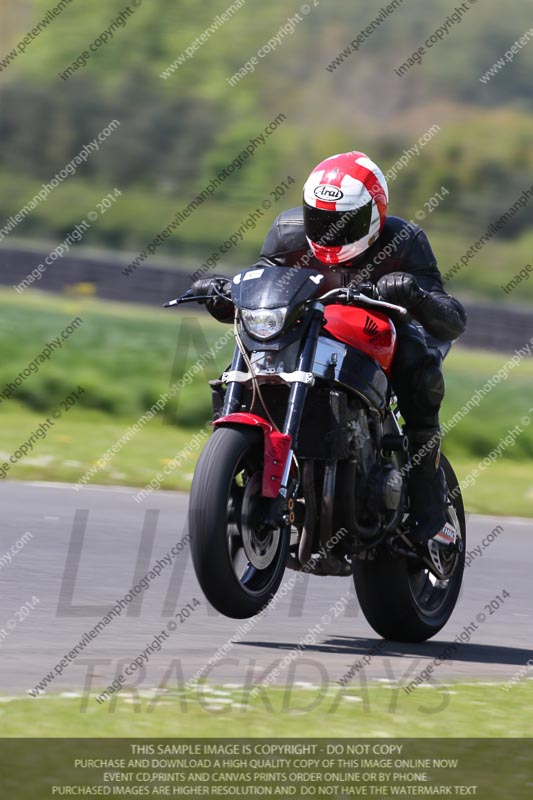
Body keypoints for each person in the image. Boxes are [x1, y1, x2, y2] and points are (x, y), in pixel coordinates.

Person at [192, 151, 467, 545]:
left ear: (374, 216)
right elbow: (266, 291)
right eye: (320, 220)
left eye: (344, 222)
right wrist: (224, 296)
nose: (330, 232)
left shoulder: (404, 242)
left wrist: (415, 294)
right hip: (311, 328)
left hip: (380, 328)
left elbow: (452, 318)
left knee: (418, 366)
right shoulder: (286, 233)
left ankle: (428, 493)